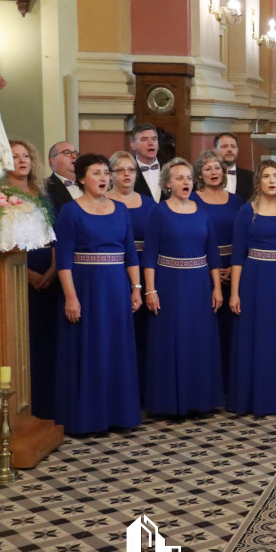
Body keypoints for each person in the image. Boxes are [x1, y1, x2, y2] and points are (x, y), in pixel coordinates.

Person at [53, 153, 142, 434]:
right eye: (96, 173)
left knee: (117, 348)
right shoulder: (70, 211)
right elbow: (64, 260)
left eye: (106, 173)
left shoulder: (120, 210)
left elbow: (130, 253)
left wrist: (137, 289)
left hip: (117, 288)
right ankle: (88, 418)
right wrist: (71, 297)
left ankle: (120, 415)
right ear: (81, 178)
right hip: (86, 289)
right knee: (90, 348)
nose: (104, 178)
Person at [142, 158, 223, 415]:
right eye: (179, 178)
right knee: (171, 340)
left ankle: (199, 400)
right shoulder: (158, 212)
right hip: (169, 284)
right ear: (168, 183)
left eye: (188, 178)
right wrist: (150, 290)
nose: (185, 182)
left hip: (199, 285)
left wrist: (217, 288)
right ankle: (169, 402)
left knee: (198, 340)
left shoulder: (202, 212)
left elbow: (212, 253)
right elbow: (150, 255)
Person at [229, 160, 276, 415]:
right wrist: (235, 292)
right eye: (266, 176)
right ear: (258, 181)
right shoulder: (244, 211)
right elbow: (237, 255)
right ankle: (252, 399)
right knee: (254, 338)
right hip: (253, 279)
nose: (272, 181)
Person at [4, 141, 59, 419]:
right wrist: (26, 275)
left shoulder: (42, 194)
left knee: (48, 340)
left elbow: (53, 234)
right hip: (16, 275)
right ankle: (25, 407)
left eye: (26, 155)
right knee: (25, 342)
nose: (22, 160)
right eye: (14, 156)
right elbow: (2, 243)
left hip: (48, 273)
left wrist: (52, 269)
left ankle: (49, 406)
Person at [107, 150, 157, 394]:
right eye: (120, 170)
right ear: (111, 174)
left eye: (131, 170)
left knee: (146, 333)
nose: (127, 174)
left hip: (147, 269)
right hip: (114, 272)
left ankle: (145, 389)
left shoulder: (149, 204)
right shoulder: (104, 202)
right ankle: (121, 390)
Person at [192, 150, 244, 381]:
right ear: (199, 175)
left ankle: (229, 380)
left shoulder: (236, 201)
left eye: (217, 168)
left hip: (234, 268)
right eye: (207, 168)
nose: (213, 172)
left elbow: (243, 237)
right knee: (205, 326)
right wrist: (208, 268)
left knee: (232, 326)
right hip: (200, 269)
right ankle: (207, 379)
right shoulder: (191, 199)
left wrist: (234, 266)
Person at [129, 123, 166, 200]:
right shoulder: (127, 169)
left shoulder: (169, 168)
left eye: (154, 139)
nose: (151, 143)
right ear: (133, 145)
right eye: (144, 139)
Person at [213, 132, 253, 200]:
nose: (229, 150)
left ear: (237, 150)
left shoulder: (251, 177)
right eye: (224, 146)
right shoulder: (207, 176)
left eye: (233, 146)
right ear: (215, 150)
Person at [45, 141, 80, 216]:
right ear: (53, 161)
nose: (74, 156)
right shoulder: (44, 187)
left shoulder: (88, 184)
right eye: (67, 153)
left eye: (75, 153)